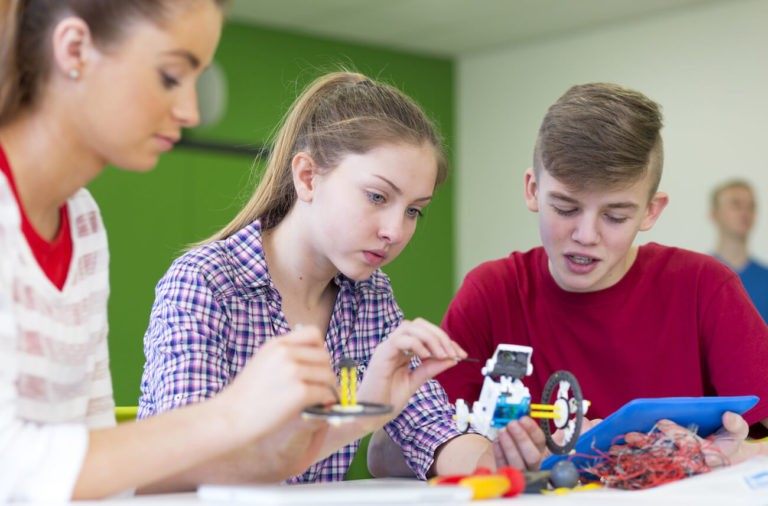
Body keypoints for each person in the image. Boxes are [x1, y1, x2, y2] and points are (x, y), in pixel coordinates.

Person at [0, 0, 344, 501]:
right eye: (169, 76)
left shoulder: (84, 223)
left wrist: (270, 457)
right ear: (74, 49)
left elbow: (91, 457)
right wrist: (229, 414)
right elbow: (12, 467)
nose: (191, 111)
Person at [138, 71, 501, 487]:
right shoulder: (205, 282)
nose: (395, 231)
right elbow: (184, 467)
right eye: (377, 197)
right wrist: (361, 412)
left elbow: (431, 429)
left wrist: (515, 461)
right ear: (308, 177)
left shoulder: (370, 295)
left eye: (413, 210)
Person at [436, 82, 768, 471]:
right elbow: (401, 449)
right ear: (532, 190)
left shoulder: (705, 287)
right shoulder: (491, 293)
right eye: (565, 207)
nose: (586, 235)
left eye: (615, 216)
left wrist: (737, 455)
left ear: (651, 211)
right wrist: (483, 455)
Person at [710, 179, 768, 322]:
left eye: (751, 206)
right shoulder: (699, 276)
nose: (744, 212)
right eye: (736, 204)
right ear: (715, 214)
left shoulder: (765, 279)